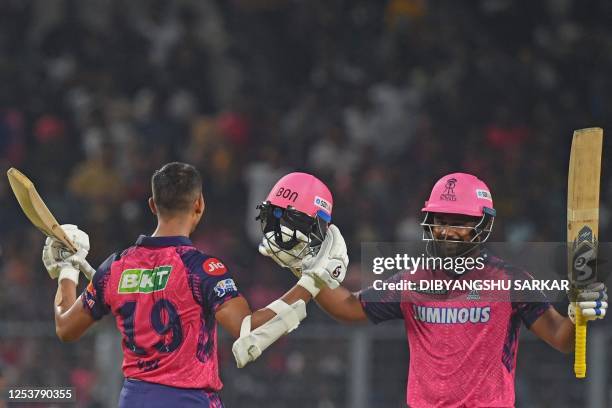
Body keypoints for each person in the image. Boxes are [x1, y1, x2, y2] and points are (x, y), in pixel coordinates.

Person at [259, 172, 608, 408]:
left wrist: (579, 314)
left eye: (460, 222)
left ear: (482, 227)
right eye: (441, 221)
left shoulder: (510, 281)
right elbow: (349, 309)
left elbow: (562, 338)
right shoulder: (414, 282)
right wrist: (305, 265)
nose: (448, 231)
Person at [42, 162, 348, 408]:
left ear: (152, 205)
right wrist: (312, 282)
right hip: (189, 399)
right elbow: (248, 332)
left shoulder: (116, 267)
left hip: (134, 399)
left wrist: (67, 271)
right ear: (199, 204)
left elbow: (65, 327)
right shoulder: (203, 270)